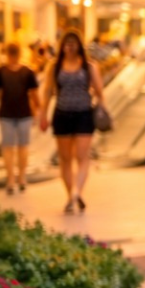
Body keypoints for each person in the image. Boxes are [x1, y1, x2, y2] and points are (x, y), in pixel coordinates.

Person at [37, 31, 104, 215]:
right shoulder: (54, 66)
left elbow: (99, 90)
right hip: (62, 114)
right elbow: (48, 91)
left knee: (82, 156)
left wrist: (102, 108)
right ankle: (70, 195)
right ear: (62, 45)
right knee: (65, 158)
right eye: (67, 43)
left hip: (84, 114)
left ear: (79, 45)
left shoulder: (89, 66)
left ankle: (77, 192)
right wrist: (43, 114)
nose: (70, 46)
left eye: (74, 43)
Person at [0, 43, 40, 195]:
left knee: (8, 147)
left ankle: (11, 179)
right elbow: (34, 95)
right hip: (23, 113)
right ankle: (21, 177)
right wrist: (37, 111)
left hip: (7, 113)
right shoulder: (27, 72)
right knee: (23, 146)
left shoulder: (0, 72)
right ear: (20, 53)